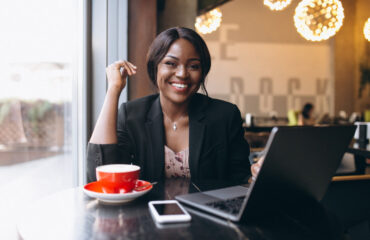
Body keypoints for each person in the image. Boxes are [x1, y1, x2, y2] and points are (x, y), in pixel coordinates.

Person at [86, 27, 252, 183]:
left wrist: (259, 174)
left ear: (202, 73)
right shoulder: (132, 114)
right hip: (147, 213)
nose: (182, 74)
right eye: (171, 63)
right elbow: (99, 175)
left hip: (209, 213)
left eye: (193, 66)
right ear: (155, 67)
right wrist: (113, 90)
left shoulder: (225, 115)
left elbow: (241, 179)